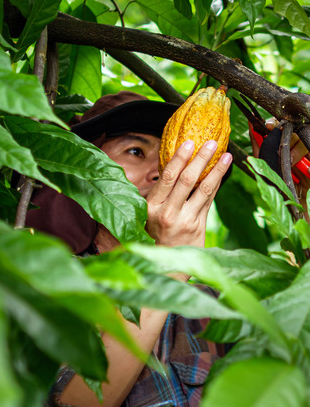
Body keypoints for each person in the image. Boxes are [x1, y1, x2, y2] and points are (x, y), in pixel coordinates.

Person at [29, 91, 233, 407]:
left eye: (173, 157)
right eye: (136, 151)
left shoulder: (205, 305)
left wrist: (307, 184)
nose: (163, 171)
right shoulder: (36, 279)